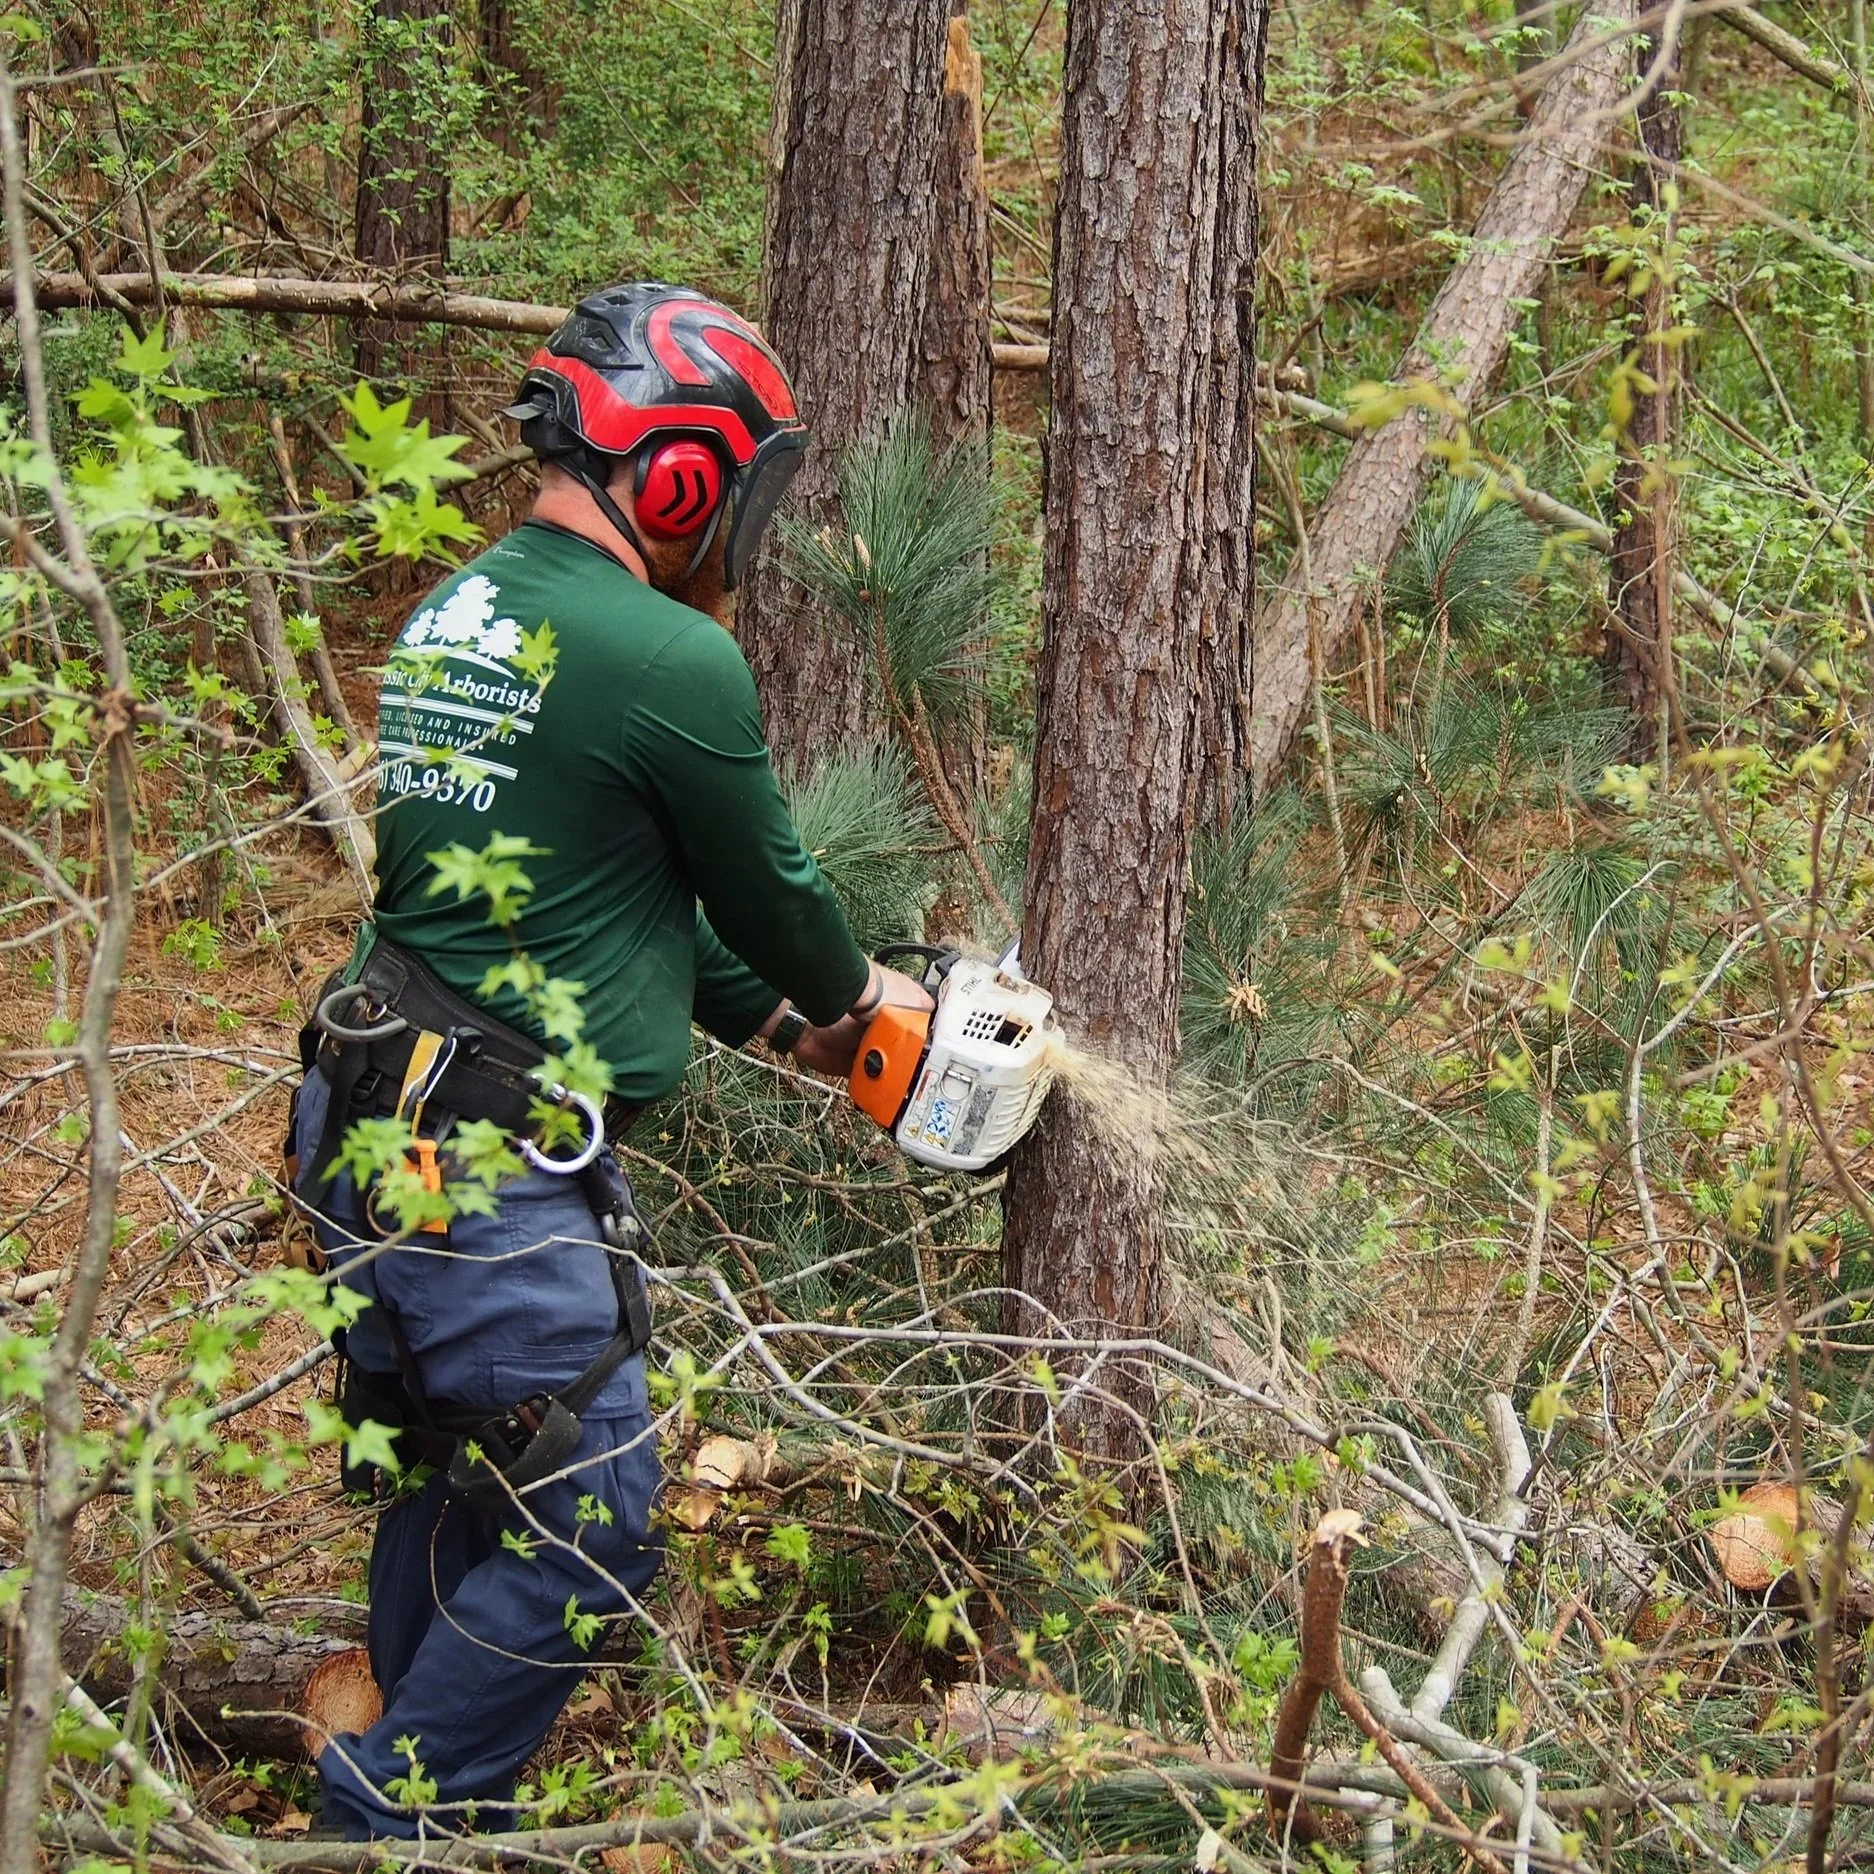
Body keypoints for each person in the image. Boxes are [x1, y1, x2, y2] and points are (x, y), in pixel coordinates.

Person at [289, 281, 932, 1839]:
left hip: (373, 1115)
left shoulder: (462, 611)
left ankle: (419, 1788)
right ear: (680, 468)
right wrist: (862, 993)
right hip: (486, 1162)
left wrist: (797, 1029)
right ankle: (391, 1830)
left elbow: (605, 905)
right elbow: (776, 903)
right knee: (593, 1509)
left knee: (453, 1479)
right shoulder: (667, 658)